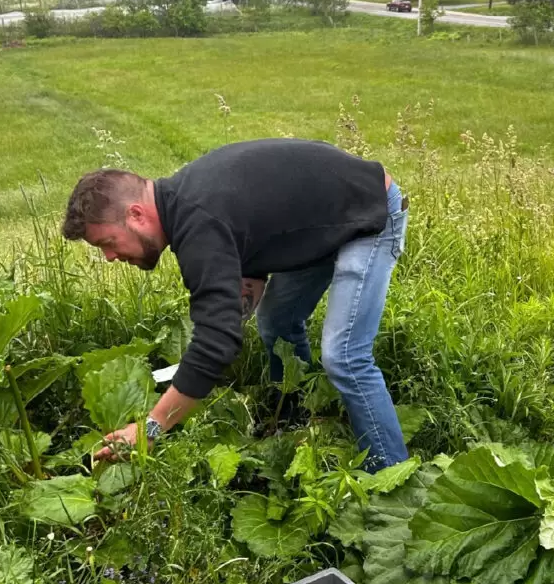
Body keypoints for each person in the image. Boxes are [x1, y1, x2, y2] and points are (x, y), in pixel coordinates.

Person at [62, 138, 410, 473]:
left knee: (345, 355)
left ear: (136, 215)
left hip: (369, 212)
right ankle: (295, 417)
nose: (108, 257)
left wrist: (151, 428)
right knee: (276, 321)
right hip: (321, 220)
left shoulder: (197, 221)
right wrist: (209, 350)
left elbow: (217, 341)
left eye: (107, 242)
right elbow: (248, 244)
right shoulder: (185, 202)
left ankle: (390, 476)